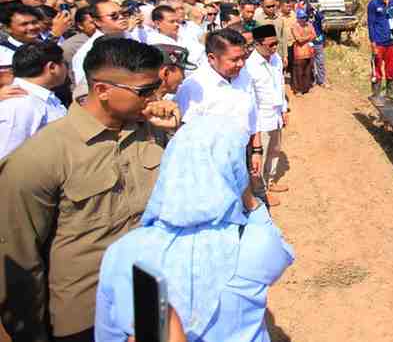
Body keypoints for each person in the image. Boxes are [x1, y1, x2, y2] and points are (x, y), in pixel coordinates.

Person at [0, 38, 179, 341]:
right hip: (85, 317)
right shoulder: (40, 157)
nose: (155, 97)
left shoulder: (153, 133)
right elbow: (19, 259)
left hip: (152, 299)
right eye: (144, 91)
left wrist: (177, 132)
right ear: (102, 90)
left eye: (157, 87)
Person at [94, 117, 294, 342]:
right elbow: (282, 257)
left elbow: (108, 334)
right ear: (236, 171)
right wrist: (249, 198)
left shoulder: (123, 252)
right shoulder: (255, 243)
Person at [174, 29, 262, 177]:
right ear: (212, 58)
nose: (241, 64)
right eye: (234, 60)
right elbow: (187, 135)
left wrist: (257, 150)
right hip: (211, 164)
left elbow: (253, 116)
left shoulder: (244, 76)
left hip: (243, 153)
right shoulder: (193, 86)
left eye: (243, 58)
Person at [245, 24, 289, 206]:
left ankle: (269, 182)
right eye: (270, 45)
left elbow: (280, 85)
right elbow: (249, 98)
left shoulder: (276, 59)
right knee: (258, 155)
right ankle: (259, 191)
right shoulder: (250, 66)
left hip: (276, 114)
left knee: (275, 150)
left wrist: (284, 109)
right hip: (260, 118)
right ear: (258, 44)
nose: (274, 48)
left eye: (276, 44)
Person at [0, 41, 68, 159]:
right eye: (64, 63)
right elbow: (7, 159)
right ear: (52, 67)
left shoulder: (44, 97)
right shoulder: (20, 104)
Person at [72, 0, 130, 87]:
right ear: (97, 22)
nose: (121, 17)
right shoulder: (86, 52)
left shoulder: (132, 37)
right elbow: (85, 89)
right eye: (114, 15)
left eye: (124, 13)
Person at [61, 7, 97, 80]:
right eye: (92, 22)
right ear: (80, 26)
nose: (98, 24)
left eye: (99, 20)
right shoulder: (70, 47)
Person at [290, 9, 316, 95]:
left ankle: (305, 88)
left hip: (309, 52)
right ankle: (298, 90)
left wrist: (304, 37)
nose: (303, 19)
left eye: (304, 17)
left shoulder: (309, 25)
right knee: (298, 72)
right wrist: (308, 37)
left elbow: (314, 35)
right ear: (297, 18)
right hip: (299, 53)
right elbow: (299, 39)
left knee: (307, 71)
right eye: (301, 18)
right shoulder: (294, 26)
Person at [309, 2, 329, 88]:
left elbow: (322, 19)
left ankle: (321, 81)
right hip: (308, 42)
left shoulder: (318, 17)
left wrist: (316, 11)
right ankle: (312, 80)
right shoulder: (304, 17)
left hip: (318, 42)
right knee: (310, 62)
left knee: (320, 62)